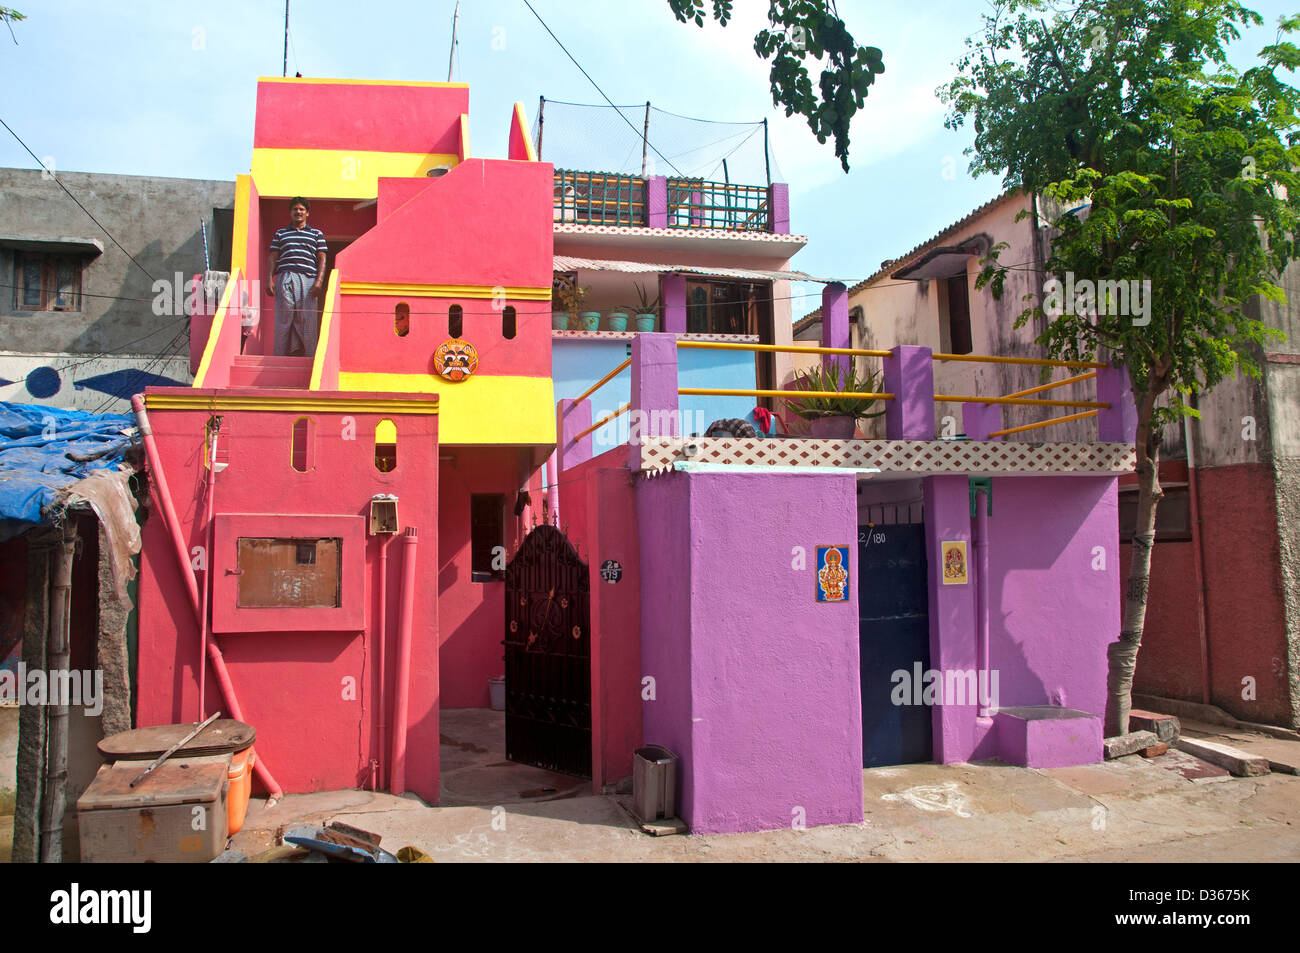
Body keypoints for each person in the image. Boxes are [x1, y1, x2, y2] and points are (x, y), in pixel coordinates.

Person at [265, 196, 327, 356]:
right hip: (285, 277)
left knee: (307, 320)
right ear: (290, 212)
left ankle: (310, 357)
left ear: (307, 213)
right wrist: (269, 279)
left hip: (308, 279)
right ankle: (279, 356)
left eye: (301, 209)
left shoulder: (316, 234)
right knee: (283, 319)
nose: (298, 212)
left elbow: (322, 258)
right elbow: (273, 257)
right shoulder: (281, 233)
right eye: (295, 209)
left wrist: (319, 281)